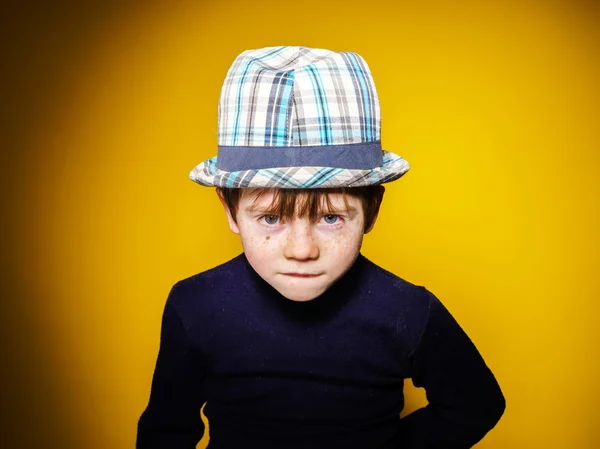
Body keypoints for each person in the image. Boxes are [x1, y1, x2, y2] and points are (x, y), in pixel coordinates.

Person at [137, 46, 505, 449]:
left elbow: (475, 404)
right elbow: (166, 430)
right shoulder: (194, 305)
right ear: (230, 209)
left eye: (331, 218)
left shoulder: (408, 311)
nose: (301, 250)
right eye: (271, 218)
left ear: (371, 210)